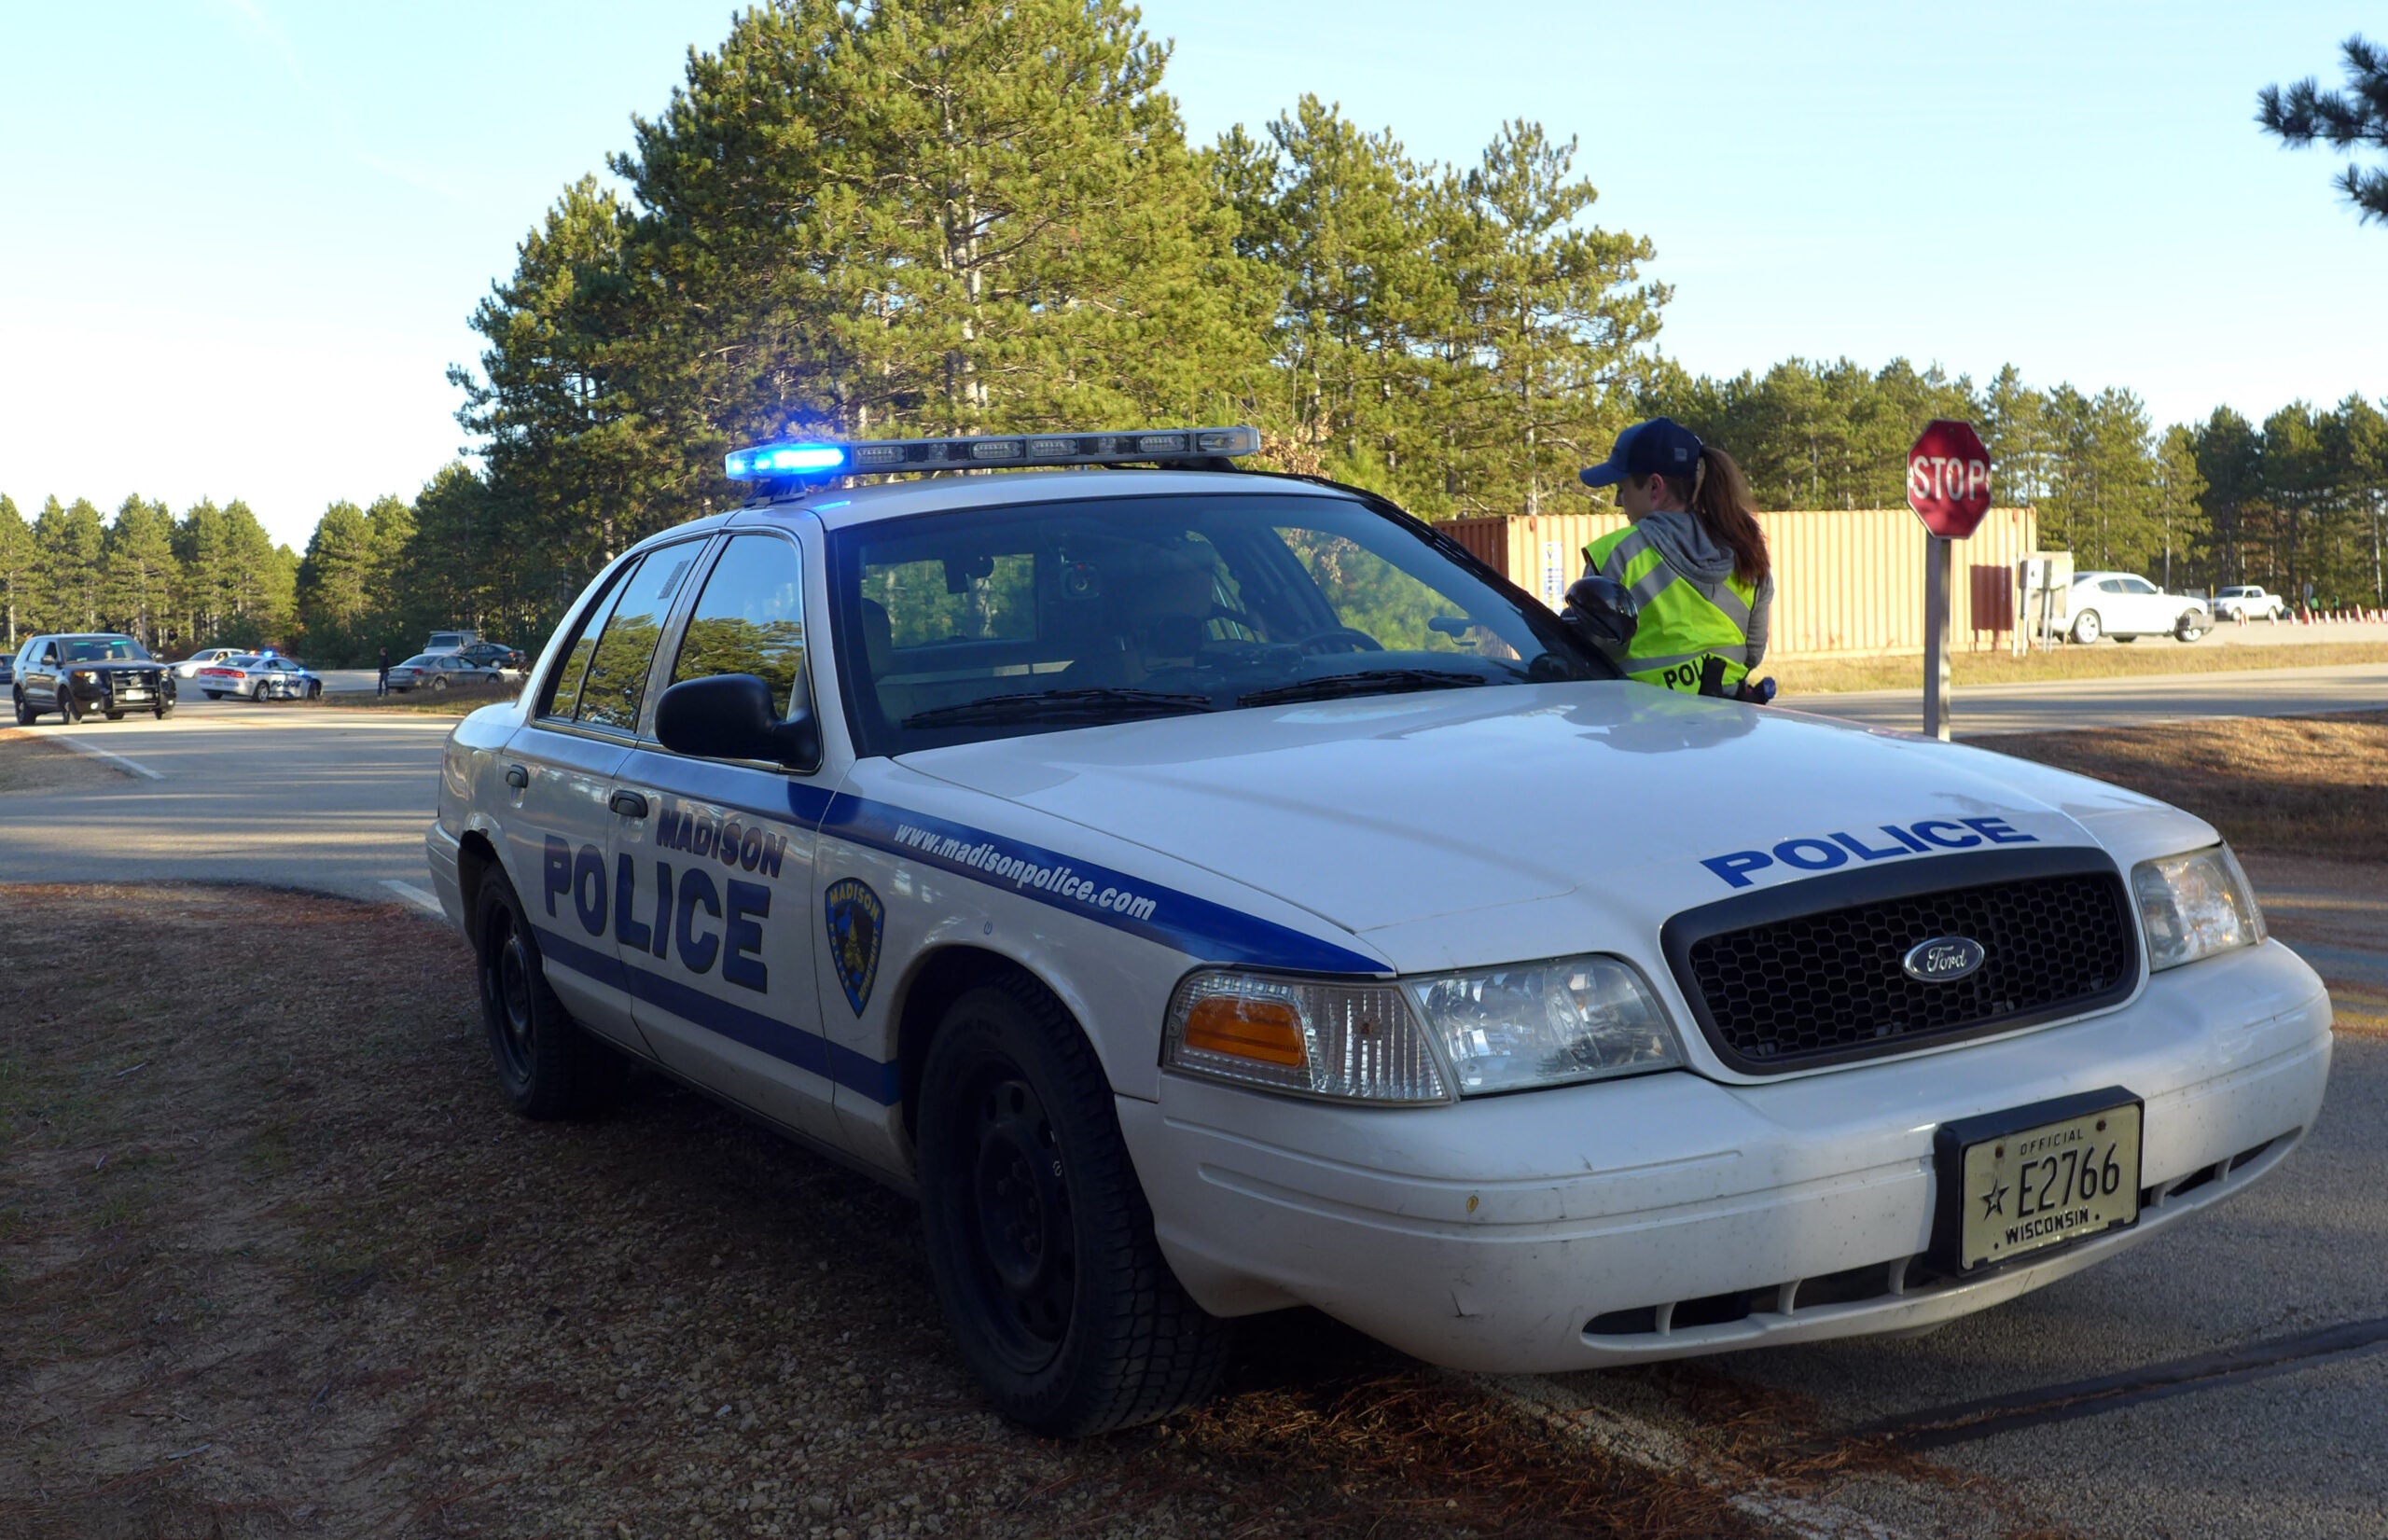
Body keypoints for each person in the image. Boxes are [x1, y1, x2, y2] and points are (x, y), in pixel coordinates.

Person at [1576, 417, 1773, 699]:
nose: (1618, 502)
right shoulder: (1745, 548)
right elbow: (1752, 654)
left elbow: (1585, 661)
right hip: (1729, 728)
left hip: (1641, 733)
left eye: (1622, 488)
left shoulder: (1616, 554)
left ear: (1655, 487)